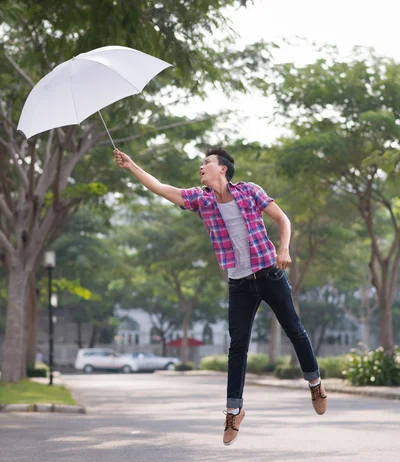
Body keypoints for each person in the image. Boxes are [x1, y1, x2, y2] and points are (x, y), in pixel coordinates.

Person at [113, 146, 327, 446]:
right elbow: (161, 188)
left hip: (269, 273)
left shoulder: (249, 191)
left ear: (223, 168)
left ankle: (315, 383)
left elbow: (283, 219)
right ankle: (233, 410)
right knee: (237, 346)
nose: (202, 166)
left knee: (295, 330)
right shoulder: (200, 199)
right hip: (239, 283)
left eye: (207, 162)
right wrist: (132, 165)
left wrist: (284, 249)